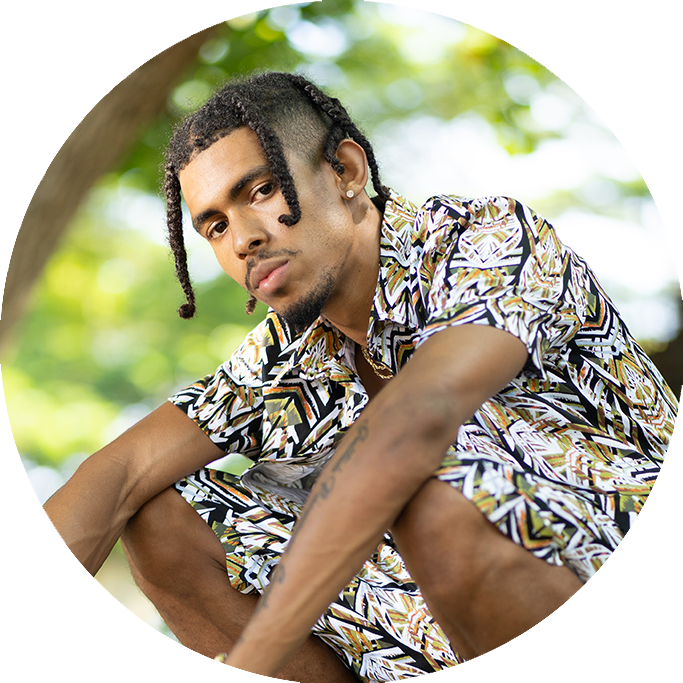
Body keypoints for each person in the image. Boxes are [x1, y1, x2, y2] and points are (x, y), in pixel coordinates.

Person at [43, 71, 678, 682]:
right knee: (163, 515)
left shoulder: (483, 241)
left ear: (346, 171)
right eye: (215, 226)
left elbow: (415, 424)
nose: (241, 240)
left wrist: (248, 663)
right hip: (471, 629)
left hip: (648, 576)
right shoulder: (282, 357)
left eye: (259, 191)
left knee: (429, 488)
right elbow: (119, 472)